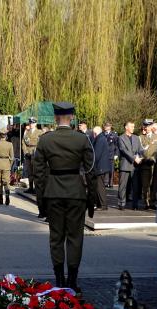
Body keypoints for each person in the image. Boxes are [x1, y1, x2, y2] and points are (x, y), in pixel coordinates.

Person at [34, 102, 94, 292]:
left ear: (55, 118)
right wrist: (91, 197)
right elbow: (91, 169)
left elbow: (39, 173)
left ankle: (59, 280)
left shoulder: (45, 140)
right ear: (72, 118)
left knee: (56, 237)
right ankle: (73, 281)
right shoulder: (82, 139)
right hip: (76, 193)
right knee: (75, 237)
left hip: (53, 193)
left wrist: (40, 200)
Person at [118, 121, 144, 210]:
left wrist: (140, 157)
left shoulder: (136, 138)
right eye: (131, 126)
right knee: (123, 186)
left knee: (135, 186)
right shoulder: (121, 138)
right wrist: (134, 158)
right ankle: (122, 203)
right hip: (125, 165)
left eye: (133, 126)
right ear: (126, 127)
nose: (133, 128)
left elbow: (141, 150)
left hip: (135, 166)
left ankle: (135, 204)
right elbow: (124, 150)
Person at [139, 120, 157, 210]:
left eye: (149, 126)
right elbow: (140, 150)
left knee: (153, 184)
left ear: (151, 127)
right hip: (145, 164)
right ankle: (147, 202)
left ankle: (152, 201)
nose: (147, 128)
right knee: (146, 184)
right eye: (145, 126)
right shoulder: (141, 137)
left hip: (155, 164)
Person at [92, 126, 111, 211]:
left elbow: (97, 154)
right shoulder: (102, 138)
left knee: (100, 186)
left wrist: (92, 164)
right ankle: (101, 204)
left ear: (95, 133)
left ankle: (103, 205)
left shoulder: (99, 139)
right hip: (102, 167)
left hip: (100, 167)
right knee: (100, 186)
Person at [22, 117, 42, 193]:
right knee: (29, 171)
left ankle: (37, 188)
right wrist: (25, 152)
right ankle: (30, 187)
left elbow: (41, 143)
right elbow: (23, 143)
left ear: (36, 123)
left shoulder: (39, 132)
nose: (31, 124)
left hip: (35, 153)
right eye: (30, 123)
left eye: (33, 123)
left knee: (36, 171)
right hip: (28, 153)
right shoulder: (27, 132)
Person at [103, 122, 119, 188]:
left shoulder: (114, 134)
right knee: (105, 169)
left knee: (111, 170)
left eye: (108, 126)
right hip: (104, 155)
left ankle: (111, 183)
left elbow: (117, 145)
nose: (106, 127)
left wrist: (116, 154)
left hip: (111, 154)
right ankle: (105, 183)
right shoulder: (102, 134)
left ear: (110, 127)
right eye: (106, 126)